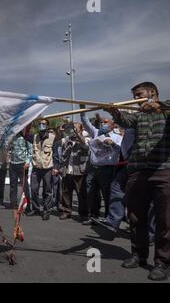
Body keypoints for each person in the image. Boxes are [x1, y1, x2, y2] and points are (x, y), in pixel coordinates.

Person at [105, 82, 170, 281]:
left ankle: (162, 262)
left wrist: (162, 107)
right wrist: (114, 112)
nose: (135, 99)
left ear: (152, 93)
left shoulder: (166, 111)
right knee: (135, 216)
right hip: (137, 171)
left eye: (138, 95)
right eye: (133, 96)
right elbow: (125, 120)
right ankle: (138, 255)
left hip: (163, 171)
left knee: (165, 220)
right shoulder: (139, 115)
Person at [81, 108, 122, 223]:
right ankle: (93, 216)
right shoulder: (96, 132)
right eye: (102, 122)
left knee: (107, 193)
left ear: (113, 126)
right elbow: (85, 122)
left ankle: (109, 218)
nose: (103, 124)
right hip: (92, 169)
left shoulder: (117, 138)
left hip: (107, 169)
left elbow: (120, 151)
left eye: (105, 122)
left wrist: (112, 144)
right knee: (91, 194)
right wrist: (82, 109)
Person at [57, 122, 90, 221]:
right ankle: (66, 211)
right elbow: (58, 141)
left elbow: (85, 145)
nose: (73, 130)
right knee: (66, 193)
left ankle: (83, 213)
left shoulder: (86, 137)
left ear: (81, 129)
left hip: (79, 171)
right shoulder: (68, 138)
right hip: (67, 171)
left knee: (81, 194)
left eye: (76, 128)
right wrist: (60, 131)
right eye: (73, 128)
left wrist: (78, 135)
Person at [28, 119, 55, 220]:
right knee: (34, 189)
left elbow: (55, 153)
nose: (41, 125)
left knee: (47, 190)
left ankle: (46, 210)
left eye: (43, 124)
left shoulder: (52, 137)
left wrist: (56, 167)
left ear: (47, 126)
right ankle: (35, 209)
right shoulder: (35, 137)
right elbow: (25, 135)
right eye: (40, 124)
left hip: (47, 168)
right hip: (36, 168)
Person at [8, 129, 32, 210]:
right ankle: (13, 203)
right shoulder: (11, 137)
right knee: (13, 185)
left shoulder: (26, 138)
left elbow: (30, 151)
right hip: (13, 164)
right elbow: (9, 149)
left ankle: (27, 204)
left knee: (24, 185)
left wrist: (27, 162)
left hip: (22, 164)